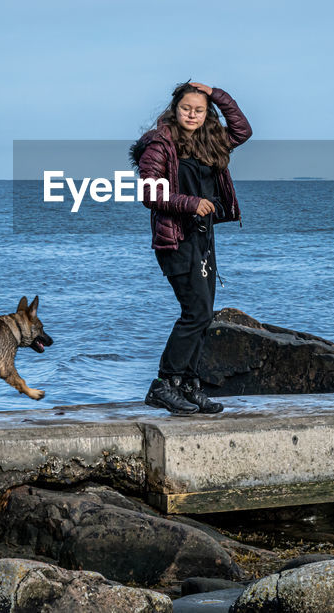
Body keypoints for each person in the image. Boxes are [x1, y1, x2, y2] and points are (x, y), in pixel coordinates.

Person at [128, 81, 252, 415]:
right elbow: (150, 194)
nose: (192, 114)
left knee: (203, 315)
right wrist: (191, 203)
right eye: (186, 108)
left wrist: (217, 94)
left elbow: (242, 129)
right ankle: (163, 385)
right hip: (175, 239)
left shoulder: (211, 141)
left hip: (203, 238)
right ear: (174, 109)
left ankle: (188, 386)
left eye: (199, 109)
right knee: (194, 312)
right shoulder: (159, 144)